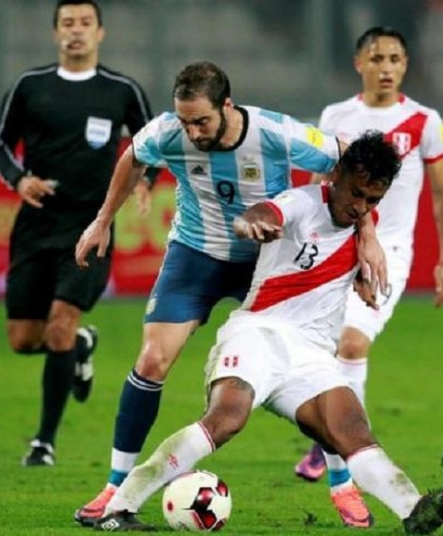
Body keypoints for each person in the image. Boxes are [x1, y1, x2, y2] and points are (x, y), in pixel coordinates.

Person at [93, 131, 443, 534]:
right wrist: (252, 224)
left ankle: (415, 510)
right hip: (258, 334)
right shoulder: (301, 203)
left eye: (372, 200)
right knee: (227, 418)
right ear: (336, 175)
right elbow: (266, 213)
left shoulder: (364, 224)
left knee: (351, 431)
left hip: (311, 356)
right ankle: (119, 506)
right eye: (356, 194)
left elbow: (359, 229)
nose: (360, 207)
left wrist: (362, 263)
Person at [73, 61, 386, 525]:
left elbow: (351, 168)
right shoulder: (167, 132)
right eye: (184, 121)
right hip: (195, 255)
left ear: (226, 105)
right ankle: (114, 488)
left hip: (268, 260)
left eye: (201, 120)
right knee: (153, 361)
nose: (192, 131)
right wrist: (102, 221)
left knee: (314, 365)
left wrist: (367, 237)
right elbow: (132, 159)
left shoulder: (276, 132)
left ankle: (343, 487)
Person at [293, 26, 443, 529]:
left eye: (395, 59)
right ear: (358, 63)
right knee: (322, 348)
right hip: (341, 244)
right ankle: (332, 443)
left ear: (405, 65)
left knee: (352, 345)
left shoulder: (425, 122)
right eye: (377, 57)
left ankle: (339, 448)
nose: (387, 66)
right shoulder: (336, 117)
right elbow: (327, 184)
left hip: (393, 250)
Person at [0, 0, 155, 467]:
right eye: (67, 24)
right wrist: (19, 179)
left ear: (100, 33)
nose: (76, 31)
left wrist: (147, 180)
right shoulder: (29, 86)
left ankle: (43, 442)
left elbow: (151, 142)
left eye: (85, 23)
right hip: (35, 226)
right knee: (23, 338)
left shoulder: (121, 90)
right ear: (55, 32)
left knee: (61, 322)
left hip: (91, 226)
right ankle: (82, 344)